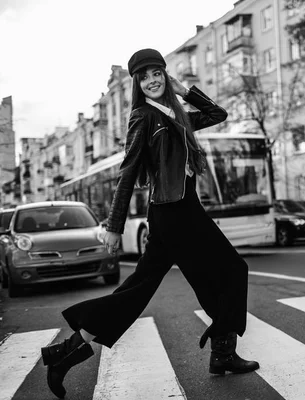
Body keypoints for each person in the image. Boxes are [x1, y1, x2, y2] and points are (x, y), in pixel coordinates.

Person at [40, 48, 259, 399]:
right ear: (137, 85)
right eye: (144, 77)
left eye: (157, 73)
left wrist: (184, 89)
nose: (152, 80)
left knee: (146, 288)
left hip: (182, 208)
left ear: (164, 76)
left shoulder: (177, 113)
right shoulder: (142, 117)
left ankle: (65, 355)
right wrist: (114, 224)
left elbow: (218, 113)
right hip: (174, 212)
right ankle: (223, 352)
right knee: (230, 269)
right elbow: (128, 172)